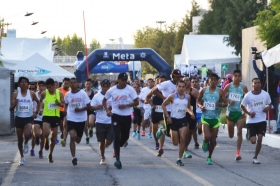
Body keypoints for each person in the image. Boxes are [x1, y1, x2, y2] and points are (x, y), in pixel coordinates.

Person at [102, 72, 138, 169]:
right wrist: (108, 110)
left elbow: (136, 101)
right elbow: (104, 101)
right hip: (116, 115)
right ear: (118, 80)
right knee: (117, 135)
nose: (124, 82)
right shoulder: (112, 90)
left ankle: (118, 145)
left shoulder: (130, 89)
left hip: (126, 116)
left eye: (125, 80)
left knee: (125, 136)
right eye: (122, 80)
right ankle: (117, 159)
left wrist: (126, 105)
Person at [162, 80, 195, 166]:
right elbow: (163, 105)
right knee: (175, 143)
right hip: (173, 120)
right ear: (176, 87)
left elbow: (188, 108)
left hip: (183, 119)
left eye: (183, 87)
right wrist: (167, 116)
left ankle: (179, 159)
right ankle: (164, 130)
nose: (181, 88)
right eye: (179, 86)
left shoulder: (187, 97)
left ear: (185, 87)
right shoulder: (172, 96)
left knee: (183, 138)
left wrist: (191, 113)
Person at [197, 73, 227, 165]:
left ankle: (209, 156)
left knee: (213, 140)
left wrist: (220, 104)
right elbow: (198, 100)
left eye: (215, 80)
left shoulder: (220, 91)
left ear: (217, 81)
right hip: (205, 117)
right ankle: (205, 142)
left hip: (215, 118)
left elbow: (226, 103)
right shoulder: (204, 90)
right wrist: (201, 106)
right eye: (211, 79)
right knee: (207, 136)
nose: (213, 81)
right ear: (208, 80)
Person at [10, 77, 40, 165]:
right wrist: (14, 104)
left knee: (27, 134)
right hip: (19, 118)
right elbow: (10, 108)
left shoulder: (32, 94)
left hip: (28, 117)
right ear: (19, 84)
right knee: (19, 139)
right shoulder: (15, 94)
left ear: (28, 84)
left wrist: (36, 112)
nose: (24, 84)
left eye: (26, 82)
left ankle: (26, 142)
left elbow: (39, 102)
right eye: (22, 82)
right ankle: (22, 157)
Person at [152, 69, 183, 156]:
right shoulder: (166, 84)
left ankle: (183, 151)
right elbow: (154, 90)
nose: (179, 78)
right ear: (172, 76)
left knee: (180, 131)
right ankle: (161, 143)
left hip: (178, 111)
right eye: (177, 77)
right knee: (170, 132)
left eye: (180, 77)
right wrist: (164, 98)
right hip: (168, 110)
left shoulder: (180, 85)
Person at [240, 78, 271, 164]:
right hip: (251, 121)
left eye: (259, 83)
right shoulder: (248, 95)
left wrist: (267, 108)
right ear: (252, 85)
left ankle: (255, 157)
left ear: (261, 84)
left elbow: (269, 103)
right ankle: (249, 135)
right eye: (255, 83)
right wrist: (249, 113)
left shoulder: (265, 94)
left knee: (260, 139)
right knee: (253, 141)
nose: (257, 84)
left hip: (261, 120)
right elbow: (242, 106)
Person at [64, 78, 90, 166]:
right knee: (71, 137)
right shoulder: (67, 95)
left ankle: (76, 136)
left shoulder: (83, 93)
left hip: (81, 119)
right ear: (70, 85)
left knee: (77, 140)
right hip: (71, 119)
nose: (73, 84)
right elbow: (66, 104)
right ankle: (73, 157)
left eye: (75, 82)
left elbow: (88, 106)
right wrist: (64, 109)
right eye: (71, 83)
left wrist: (80, 109)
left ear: (77, 84)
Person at [223, 69, 248, 160]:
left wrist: (245, 106)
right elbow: (222, 96)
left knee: (239, 132)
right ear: (232, 77)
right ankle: (231, 134)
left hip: (239, 112)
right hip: (230, 112)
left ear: (241, 77)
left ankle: (238, 152)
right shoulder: (228, 87)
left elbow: (247, 98)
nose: (237, 78)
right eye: (235, 76)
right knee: (231, 135)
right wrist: (228, 100)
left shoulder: (244, 87)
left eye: (239, 76)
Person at [39, 78, 65, 163]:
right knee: (46, 133)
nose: (49, 89)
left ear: (54, 85)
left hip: (55, 116)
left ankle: (50, 154)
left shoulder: (59, 93)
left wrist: (59, 104)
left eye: (50, 87)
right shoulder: (44, 93)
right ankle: (46, 140)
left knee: (53, 138)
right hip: (46, 116)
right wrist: (39, 109)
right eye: (48, 87)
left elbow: (63, 104)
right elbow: (40, 102)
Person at [91, 79, 114, 165]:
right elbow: (91, 107)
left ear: (109, 86)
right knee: (101, 141)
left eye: (107, 86)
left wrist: (112, 108)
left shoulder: (112, 95)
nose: (105, 88)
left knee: (109, 140)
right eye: (103, 86)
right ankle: (102, 157)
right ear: (101, 86)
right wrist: (97, 107)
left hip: (110, 121)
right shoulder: (97, 96)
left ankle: (107, 144)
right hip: (100, 121)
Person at [252, 56, 280, 122]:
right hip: (274, 95)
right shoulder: (276, 75)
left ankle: (264, 122)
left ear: (264, 66)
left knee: (263, 109)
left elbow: (255, 67)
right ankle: (274, 123)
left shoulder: (261, 73)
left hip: (264, 95)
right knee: (275, 110)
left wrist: (253, 59)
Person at [146, 75, 167, 152]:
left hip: (163, 113)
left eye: (164, 81)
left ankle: (161, 146)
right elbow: (146, 98)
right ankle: (156, 143)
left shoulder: (167, 90)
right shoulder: (154, 90)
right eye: (161, 81)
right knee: (154, 130)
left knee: (162, 129)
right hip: (155, 112)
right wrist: (152, 105)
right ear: (158, 81)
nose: (163, 82)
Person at [182, 77, 199, 159]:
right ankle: (184, 149)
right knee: (185, 131)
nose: (185, 81)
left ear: (189, 82)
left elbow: (200, 100)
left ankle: (185, 147)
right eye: (184, 80)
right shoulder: (179, 91)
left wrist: (200, 105)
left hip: (192, 114)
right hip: (182, 114)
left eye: (187, 80)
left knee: (190, 133)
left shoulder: (194, 91)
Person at [31, 81, 46, 158]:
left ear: (45, 87)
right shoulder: (34, 95)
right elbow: (31, 104)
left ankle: (41, 151)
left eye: (43, 86)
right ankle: (32, 148)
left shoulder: (48, 95)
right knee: (35, 133)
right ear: (37, 87)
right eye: (39, 86)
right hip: (36, 117)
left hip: (45, 117)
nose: (41, 87)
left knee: (43, 135)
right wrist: (34, 112)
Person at [83, 79, 97, 144]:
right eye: (87, 84)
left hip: (91, 109)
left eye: (89, 84)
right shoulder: (82, 92)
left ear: (91, 84)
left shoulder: (94, 92)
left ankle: (91, 129)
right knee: (86, 125)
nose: (88, 85)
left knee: (91, 122)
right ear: (85, 85)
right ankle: (87, 136)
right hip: (84, 110)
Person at [59, 78, 70, 147]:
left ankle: (65, 139)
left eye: (67, 83)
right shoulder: (59, 90)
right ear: (62, 83)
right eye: (65, 83)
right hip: (59, 110)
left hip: (67, 111)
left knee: (65, 125)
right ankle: (62, 132)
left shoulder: (71, 91)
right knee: (61, 125)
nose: (66, 84)